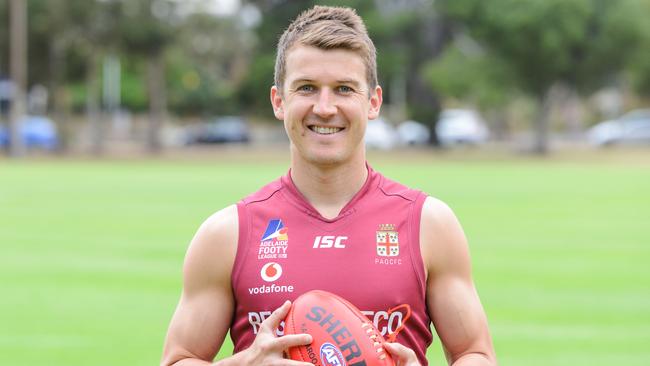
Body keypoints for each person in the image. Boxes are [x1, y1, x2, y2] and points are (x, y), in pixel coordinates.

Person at [161, 5, 496, 366]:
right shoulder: (228, 233)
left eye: (343, 89)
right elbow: (179, 359)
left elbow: (475, 354)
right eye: (306, 88)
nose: (324, 107)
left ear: (373, 102)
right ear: (279, 101)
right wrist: (244, 364)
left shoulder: (429, 224)